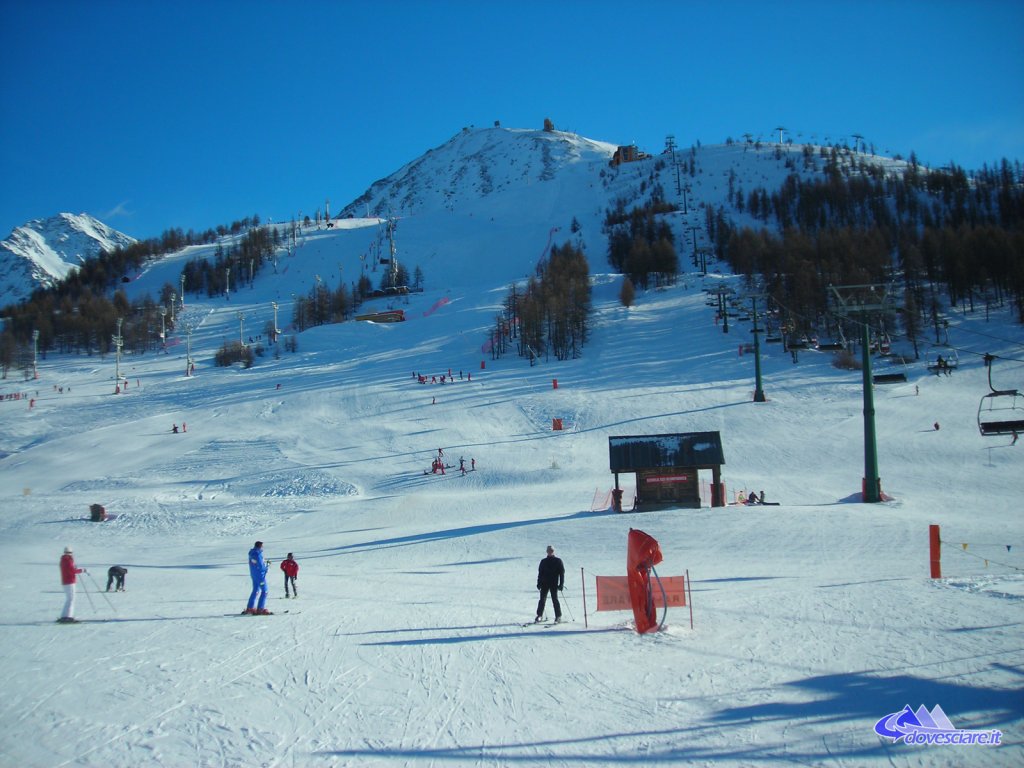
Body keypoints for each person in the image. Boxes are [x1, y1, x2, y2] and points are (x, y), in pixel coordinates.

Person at [535, 545, 565, 623]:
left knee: (555, 599)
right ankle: (539, 615)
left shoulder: (558, 561)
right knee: (542, 600)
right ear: (547, 552)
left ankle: (558, 616)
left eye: (551, 551)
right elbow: (540, 573)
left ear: (553, 551)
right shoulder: (543, 561)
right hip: (544, 583)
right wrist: (539, 583)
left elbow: (561, 573)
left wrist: (561, 584)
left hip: (554, 584)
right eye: (549, 551)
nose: (550, 552)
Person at [59, 546, 85, 623]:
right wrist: (81, 570)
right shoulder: (68, 560)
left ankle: (64, 616)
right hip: (70, 581)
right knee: (71, 599)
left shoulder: (63, 559)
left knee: (68, 599)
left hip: (65, 581)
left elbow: (69, 569)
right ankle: (69, 616)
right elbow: (72, 571)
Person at [244, 541, 271, 615]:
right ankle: (260, 609)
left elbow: (257, 563)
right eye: (262, 546)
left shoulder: (252, 552)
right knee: (265, 591)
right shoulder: (257, 554)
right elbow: (261, 566)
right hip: (260, 576)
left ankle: (250, 607)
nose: (263, 548)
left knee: (256, 590)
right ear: (260, 546)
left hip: (254, 574)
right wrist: (266, 567)